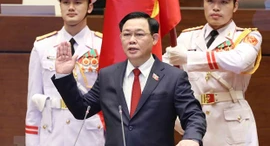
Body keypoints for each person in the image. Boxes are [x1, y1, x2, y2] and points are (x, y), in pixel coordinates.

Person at [51, 11, 206, 146]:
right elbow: (82, 110)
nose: (132, 40)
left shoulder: (173, 77)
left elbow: (193, 114)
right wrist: (64, 76)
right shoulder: (108, 75)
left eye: (139, 34)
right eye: (126, 34)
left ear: (154, 39)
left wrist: (192, 138)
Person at [163, 0, 262, 145]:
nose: (215, 7)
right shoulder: (186, 37)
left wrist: (188, 58)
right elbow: (162, 71)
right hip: (194, 121)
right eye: (210, 1)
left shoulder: (247, 36)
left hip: (232, 124)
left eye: (224, 2)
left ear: (235, 6)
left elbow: (239, 61)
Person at [25, 0, 105, 146]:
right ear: (59, 5)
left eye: (78, 2)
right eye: (65, 2)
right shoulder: (42, 46)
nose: (71, 8)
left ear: (90, 7)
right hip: (51, 135)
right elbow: (34, 102)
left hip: (90, 135)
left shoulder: (102, 45)